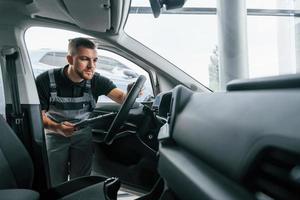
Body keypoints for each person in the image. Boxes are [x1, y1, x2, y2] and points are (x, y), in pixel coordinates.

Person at [36, 37, 127, 186]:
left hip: (83, 133)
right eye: (85, 59)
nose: (91, 66)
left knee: (81, 181)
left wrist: (129, 92)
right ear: (70, 59)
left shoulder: (97, 81)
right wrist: (57, 128)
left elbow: (122, 97)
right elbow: (38, 116)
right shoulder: (46, 80)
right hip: (54, 133)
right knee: (55, 181)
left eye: (95, 60)